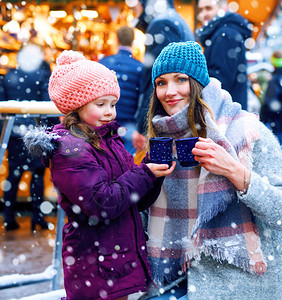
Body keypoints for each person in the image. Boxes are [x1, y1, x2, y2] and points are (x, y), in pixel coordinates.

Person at [142, 41, 282, 299]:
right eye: (161, 82)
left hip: (243, 283)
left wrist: (235, 172)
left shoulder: (247, 132)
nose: (169, 91)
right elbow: (144, 222)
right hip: (177, 278)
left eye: (181, 79)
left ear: (198, 83)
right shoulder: (161, 140)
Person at [24, 50, 175, 300]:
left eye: (113, 104)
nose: (110, 112)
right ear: (77, 106)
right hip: (95, 266)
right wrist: (144, 174)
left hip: (112, 261)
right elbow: (102, 203)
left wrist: (152, 169)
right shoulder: (69, 149)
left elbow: (132, 200)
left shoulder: (108, 139)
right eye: (100, 104)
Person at [0, 43, 56, 231]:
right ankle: (37, 217)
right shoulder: (42, 76)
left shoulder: (8, 76)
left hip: (14, 134)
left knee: (13, 176)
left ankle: (8, 218)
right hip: (34, 135)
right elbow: (48, 110)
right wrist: (51, 133)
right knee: (37, 176)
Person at [130, 0, 195, 154]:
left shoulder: (161, 23)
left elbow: (160, 80)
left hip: (169, 122)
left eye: (136, 3)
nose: (133, 8)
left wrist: (143, 127)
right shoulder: (173, 19)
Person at [196, 0, 252, 110]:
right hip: (229, 112)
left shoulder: (224, 35)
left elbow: (219, 81)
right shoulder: (224, 32)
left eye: (208, 8)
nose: (203, 14)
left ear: (223, 8)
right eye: (200, 10)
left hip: (225, 115)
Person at [100, 25, 143, 155]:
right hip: (130, 125)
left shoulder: (104, 63)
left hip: (106, 122)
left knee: (106, 160)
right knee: (127, 162)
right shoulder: (139, 67)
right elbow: (142, 99)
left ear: (117, 40)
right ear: (133, 41)